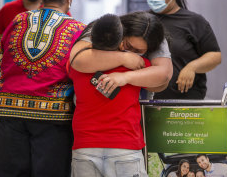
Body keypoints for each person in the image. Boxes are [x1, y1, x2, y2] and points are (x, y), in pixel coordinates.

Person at [0, 0, 84, 177]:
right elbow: (81, 70)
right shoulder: (78, 30)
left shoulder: (18, 20)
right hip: (53, 116)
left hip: (8, 111)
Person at [68, 12, 166, 177]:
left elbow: (75, 60)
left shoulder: (77, 67)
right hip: (125, 147)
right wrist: (127, 73)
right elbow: (162, 80)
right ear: (121, 39)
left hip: (84, 147)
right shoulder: (138, 65)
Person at [147, 0, 222, 99]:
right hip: (148, 103)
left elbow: (215, 56)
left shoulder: (194, 21)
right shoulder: (144, 21)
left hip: (186, 105)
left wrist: (192, 67)